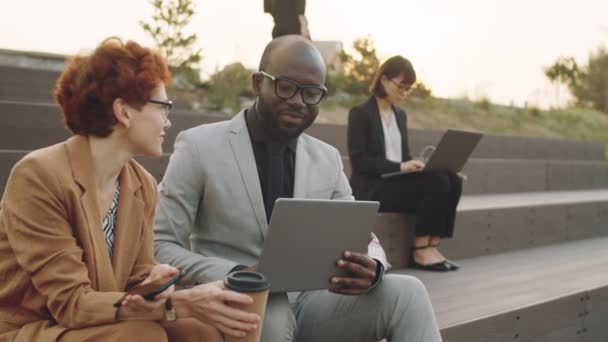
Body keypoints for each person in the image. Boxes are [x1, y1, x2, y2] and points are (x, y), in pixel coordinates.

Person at [154, 35, 442, 342]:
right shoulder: (199, 146)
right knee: (271, 313)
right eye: (285, 86)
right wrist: (236, 273)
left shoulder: (327, 159)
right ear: (257, 83)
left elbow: (363, 235)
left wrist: (374, 265)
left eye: (311, 92)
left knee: (409, 293)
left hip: (315, 302)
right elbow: (160, 244)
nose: (298, 101)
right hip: (238, 300)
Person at [0, 37, 260, 342]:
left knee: (200, 332)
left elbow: (134, 281)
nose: (168, 121)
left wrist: (155, 283)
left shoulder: (140, 185)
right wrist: (178, 302)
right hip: (32, 327)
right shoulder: (39, 176)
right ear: (124, 112)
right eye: (163, 107)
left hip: (98, 321)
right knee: (142, 336)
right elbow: (70, 303)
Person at [347, 56, 463, 272]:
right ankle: (419, 250)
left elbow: (404, 155)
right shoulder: (361, 113)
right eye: (402, 86)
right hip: (373, 187)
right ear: (383, 80)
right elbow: (360, 161)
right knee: (436, 182)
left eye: (409, 89)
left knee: (452, 178)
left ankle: (432, 244)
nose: (405, 93)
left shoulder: (400, 115)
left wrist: (415, 164)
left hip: (396, 182)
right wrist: (400, 167)